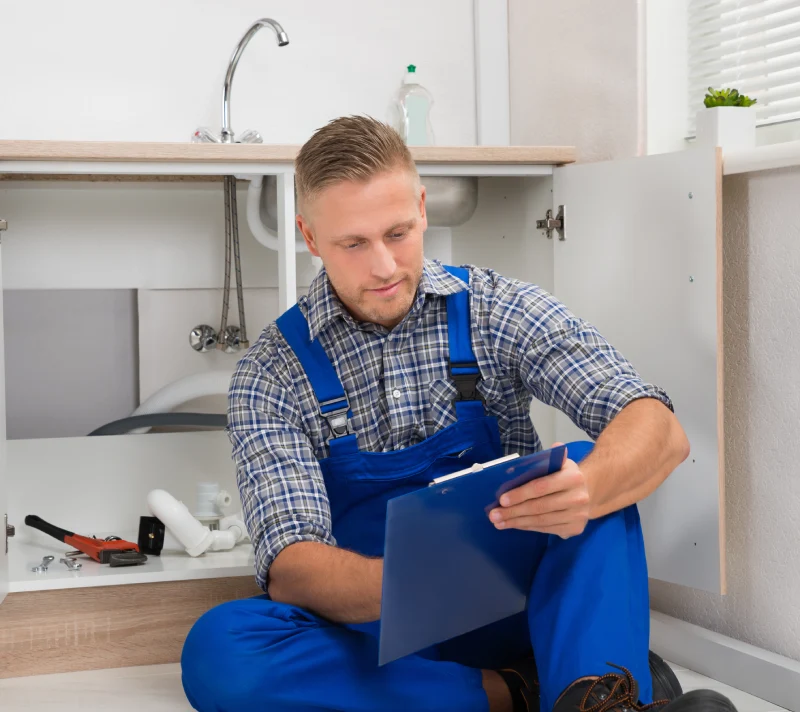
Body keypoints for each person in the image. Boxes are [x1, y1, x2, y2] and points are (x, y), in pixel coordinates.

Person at [181, 116, 736, 712]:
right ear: (310, 238)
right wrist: (413, 581)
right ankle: (530, 691)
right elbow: (290, 568)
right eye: (353, 244)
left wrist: (589, 487)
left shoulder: (500, 309)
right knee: (221, 651)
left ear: (422, 208)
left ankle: (594, 698)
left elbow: (658, 428)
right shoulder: (270, 373)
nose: (385, 266)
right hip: (376, 628)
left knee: (582, 470)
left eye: (397, 232)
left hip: (511, 604)